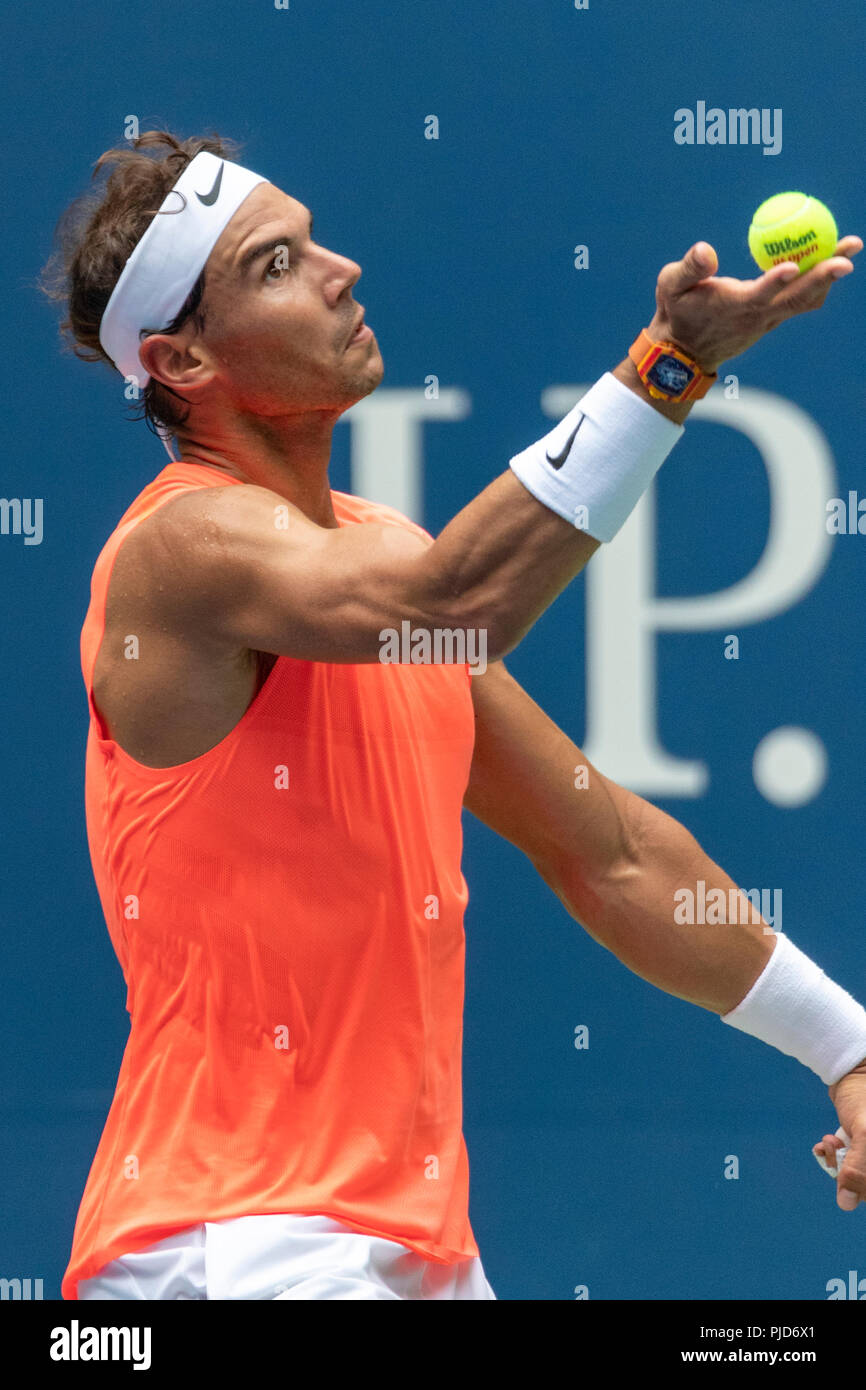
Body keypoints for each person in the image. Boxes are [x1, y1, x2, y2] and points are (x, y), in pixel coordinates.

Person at [41, 129, 866, 1301]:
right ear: (181, 359)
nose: (340, 270)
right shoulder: (178, 549)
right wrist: (668, 365)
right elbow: (459, 602)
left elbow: (611, 851)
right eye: (276, 266)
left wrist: (845, 1043)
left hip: (408, 1246)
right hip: (229, 1242)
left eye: (313, 239)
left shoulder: (380, 558)